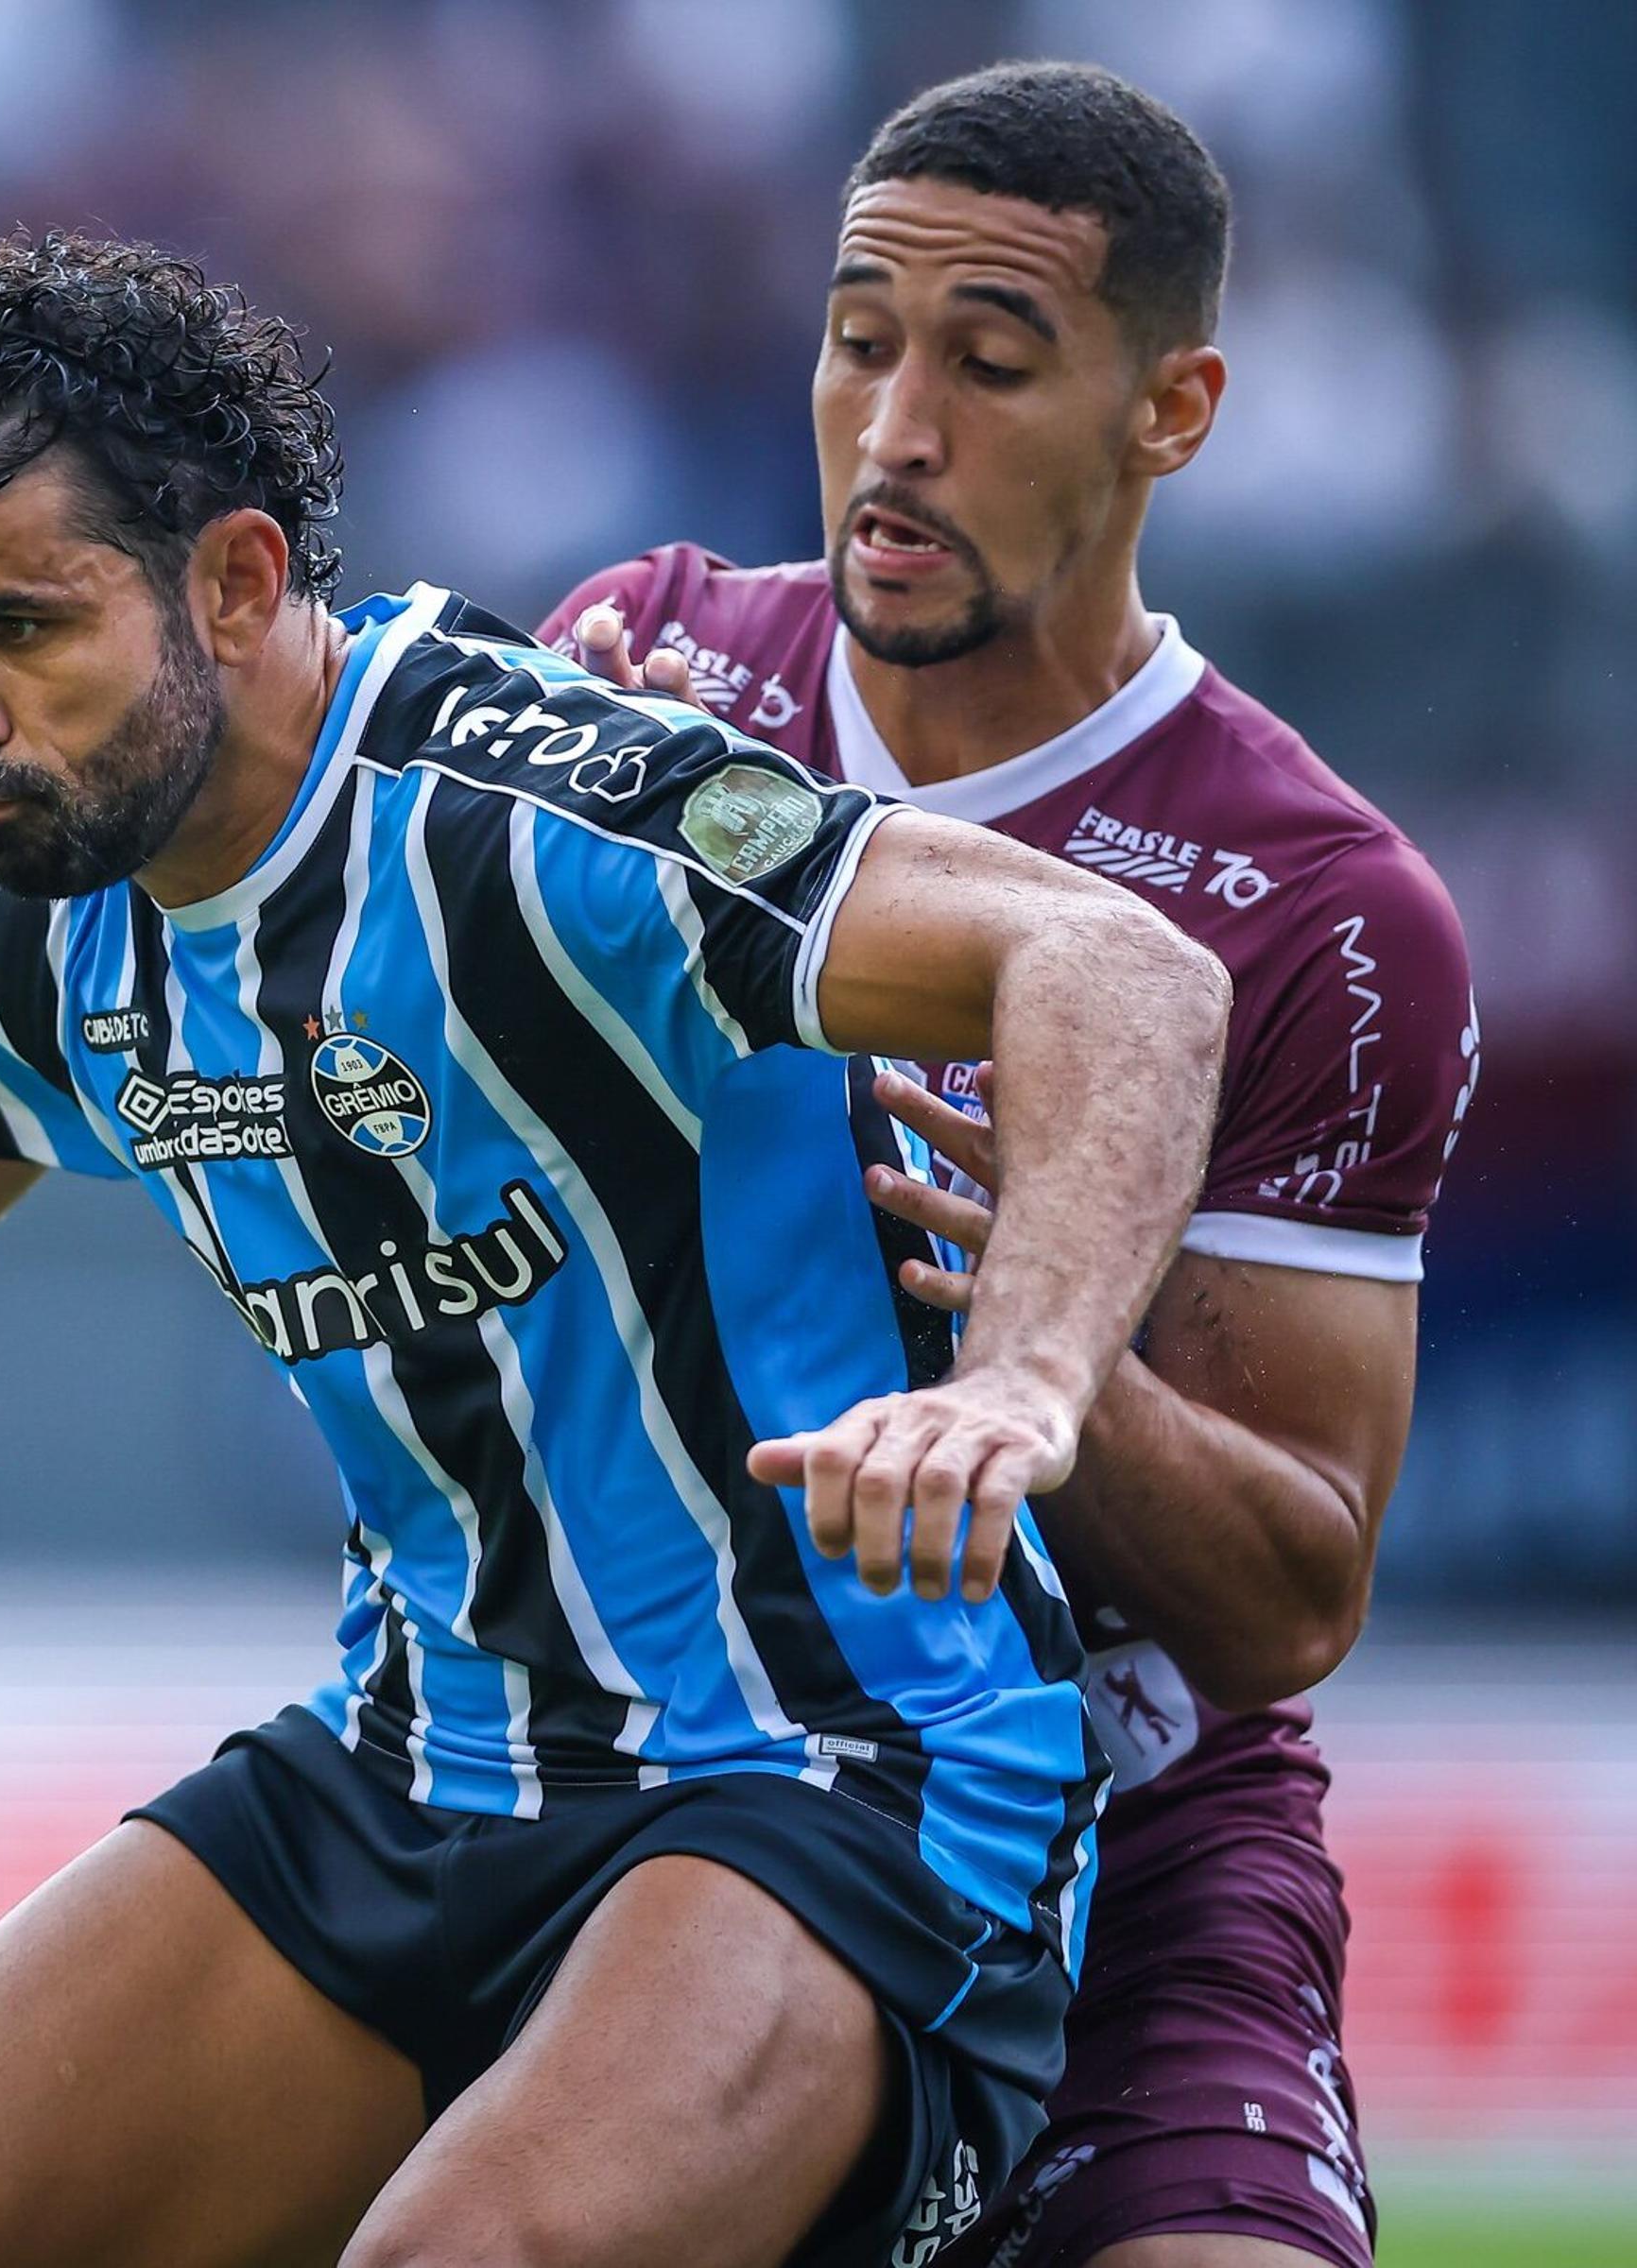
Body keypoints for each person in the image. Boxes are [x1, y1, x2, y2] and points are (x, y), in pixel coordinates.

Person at [0, 230, 1234, 2268]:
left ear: (236, 584)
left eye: (15, 625)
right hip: (419, 1771)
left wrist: (1026, 1378)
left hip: (840, 1780)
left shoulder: (527, 816)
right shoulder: (58, 916)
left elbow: (1119, 967)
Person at [543, 62, 1476, 2268]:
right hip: (651, 1797)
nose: (897, 434)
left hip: (1123, 1845)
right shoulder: (645, 679)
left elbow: (1290, 1599)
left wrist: (1044, 1341)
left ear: (1175, 410)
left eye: (990, 363)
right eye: (861, 340)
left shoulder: (1323, 910)